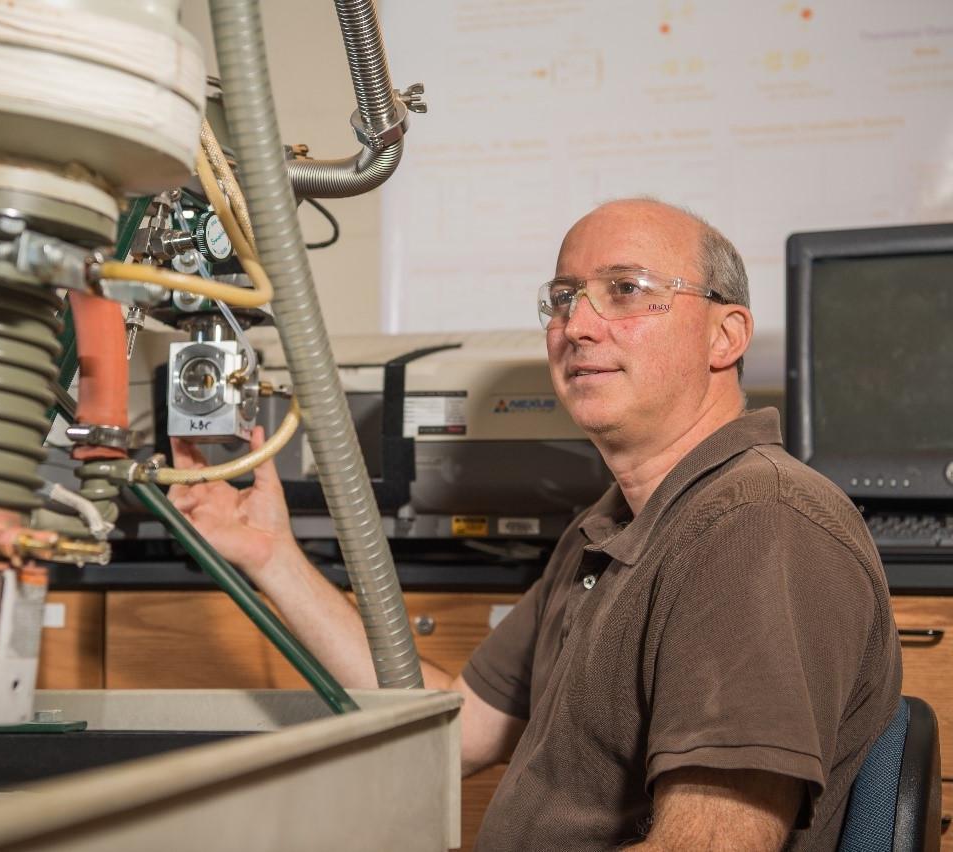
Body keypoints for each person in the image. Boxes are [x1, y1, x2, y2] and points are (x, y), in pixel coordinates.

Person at [168, 198, 902, 851]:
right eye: (562, 298)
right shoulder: (611, 525)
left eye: (625, 291)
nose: (576, 326)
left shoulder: (755, 523)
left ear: (725, 335)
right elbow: (458, 731)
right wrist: (273, 558)